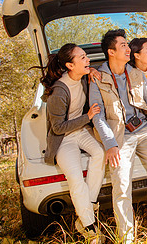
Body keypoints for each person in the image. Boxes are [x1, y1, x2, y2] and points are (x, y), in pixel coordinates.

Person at [89, 29, 147, 243]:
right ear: (111, 51)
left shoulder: (136, 73)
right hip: (119, 137)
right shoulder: (97, 78)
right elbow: (97, 117)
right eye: (123, 45)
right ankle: (126, 237)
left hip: (144, 130)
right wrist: (110, 144)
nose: (128, 49)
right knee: (121, 184)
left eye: (128, 45)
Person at [40, 43, 106, 243]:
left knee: (101, 154)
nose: (88, 60)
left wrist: (92, 70)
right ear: (70, 65)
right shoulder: (58, 91)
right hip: (63, 139)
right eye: (83, 58)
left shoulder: (84, 78)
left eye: (87, 57)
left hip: (81, 132)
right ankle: (89, 227)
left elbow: (93, 72)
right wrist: (87, 116)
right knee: (76, 179)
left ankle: (90, 204)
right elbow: (58, 128)